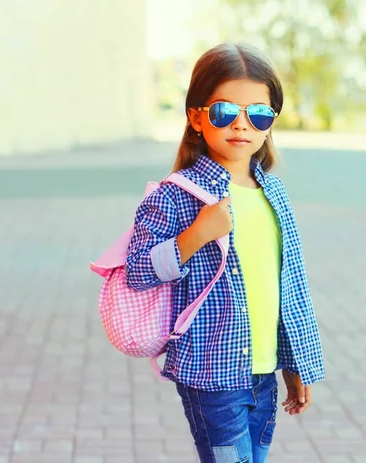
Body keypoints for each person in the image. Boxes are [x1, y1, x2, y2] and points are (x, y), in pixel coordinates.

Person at [125, 42, 325, 463]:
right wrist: (196, 234)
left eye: (258, 113)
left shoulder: (274, 194)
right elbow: (138, 270)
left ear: (270, 123)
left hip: (264, 371)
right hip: (211, 373)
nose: (241, 125)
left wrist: (295, 363)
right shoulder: (176, 196)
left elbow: (289, 288)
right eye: (223, 111)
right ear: (197, 117)